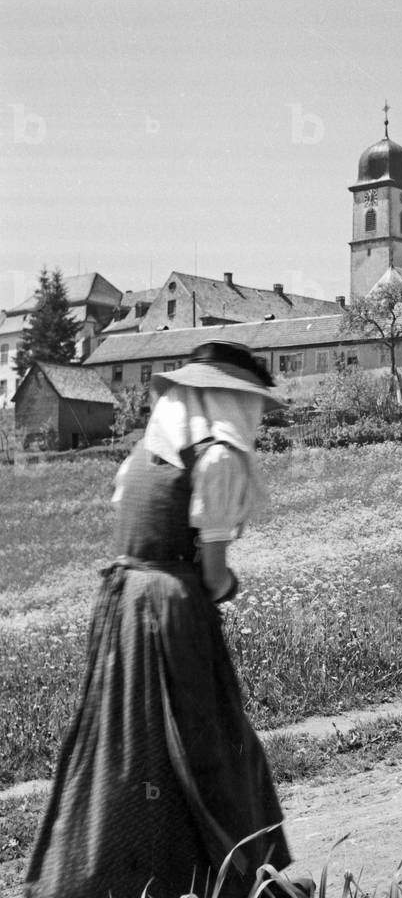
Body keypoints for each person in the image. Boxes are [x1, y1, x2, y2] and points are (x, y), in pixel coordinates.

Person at [25, 341, 310, 898]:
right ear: (230, 400)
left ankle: (110, 873)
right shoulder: (219, 457)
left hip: (123, 603)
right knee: (209, 742)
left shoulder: (145, 456)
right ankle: (231, 877)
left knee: (128, 740)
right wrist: (227, 585)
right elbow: (213, 574)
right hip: (172, 610)